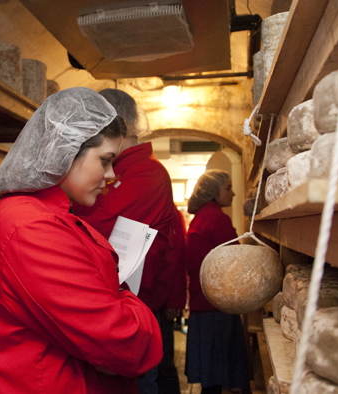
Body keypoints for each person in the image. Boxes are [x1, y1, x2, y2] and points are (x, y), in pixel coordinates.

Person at [0, 87, 163, 394]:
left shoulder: (49, 214)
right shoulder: (31, 227)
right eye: (105, 160)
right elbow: (125, 341)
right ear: (66, 149)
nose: (111, 174)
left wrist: (116, 301)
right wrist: (130, 304)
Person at [72, 88, 186, 394]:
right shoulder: (125, 170)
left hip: (137, 307)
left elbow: (97, 227)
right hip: (119, 304)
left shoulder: (147, 173)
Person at [185, 170, 249, 394]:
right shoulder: (215, 219)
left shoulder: (202, 217)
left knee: (211, 378)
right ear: (214, 192)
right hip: (215, 307)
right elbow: (235, 260)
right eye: (228, 188)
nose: (232, 193)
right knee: (215, 377)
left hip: (205, 304)